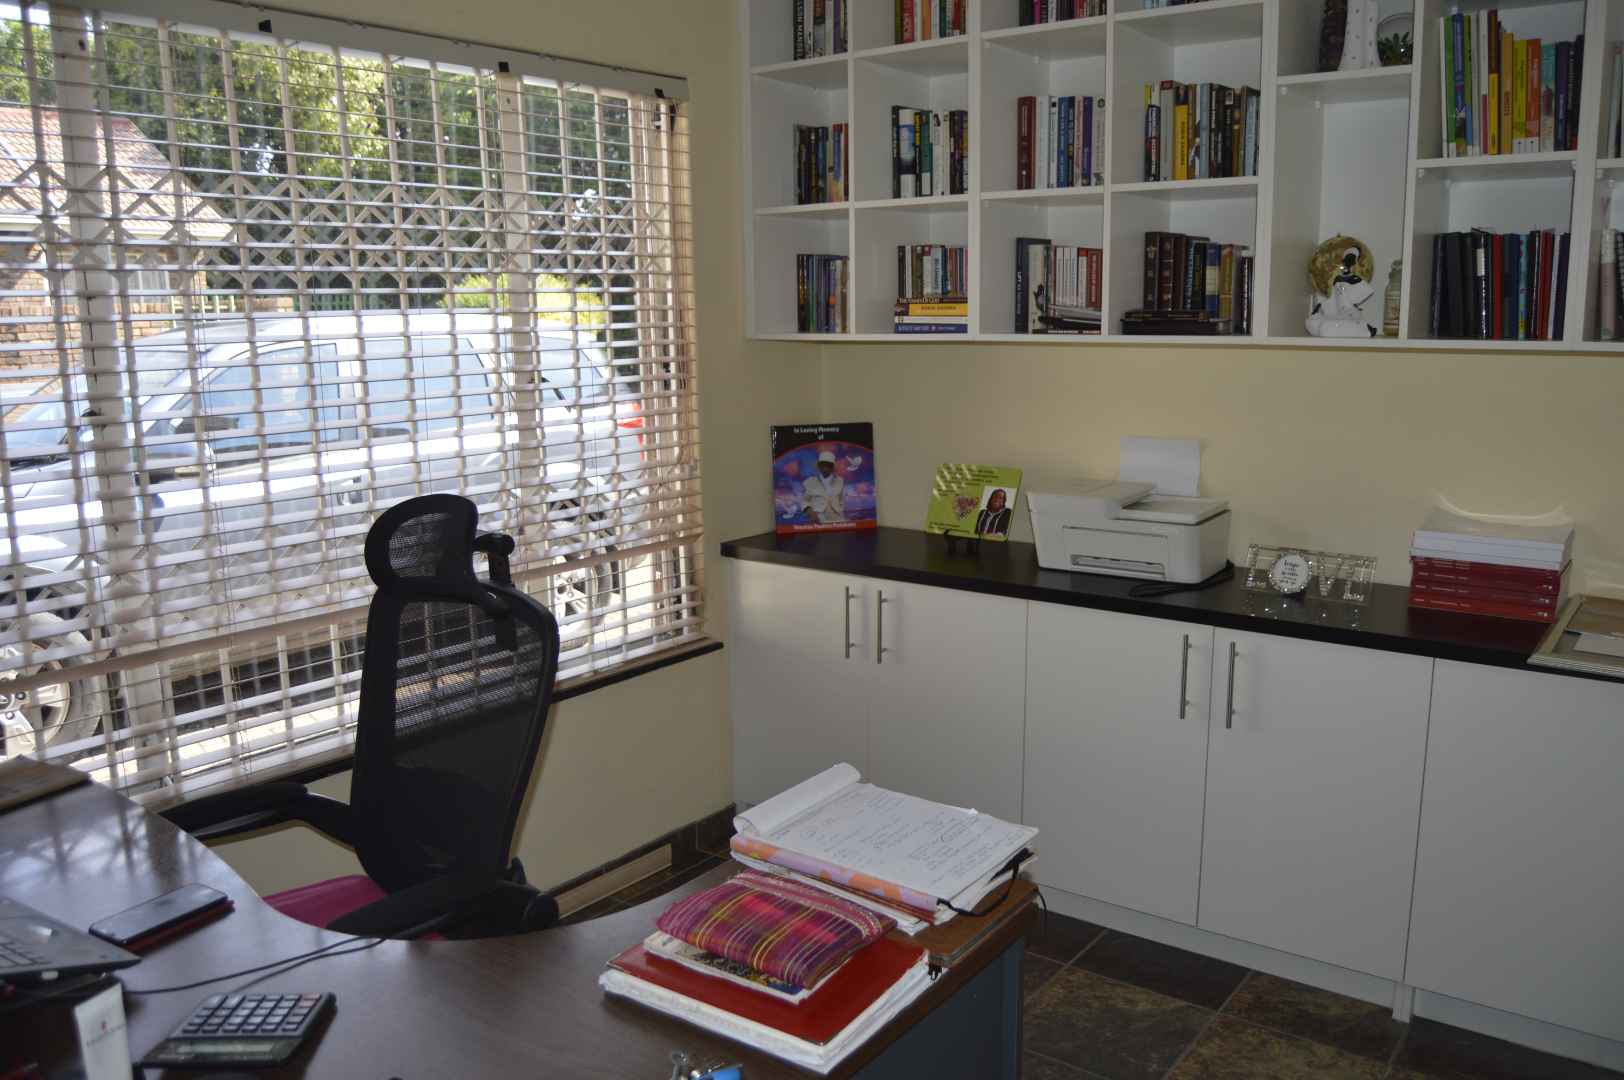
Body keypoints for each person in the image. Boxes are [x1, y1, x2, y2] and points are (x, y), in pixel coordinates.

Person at [800, 449, 846, 524]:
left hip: (837, 519)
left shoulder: (840, 481)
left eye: (828, 465)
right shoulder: (810, 482)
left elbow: (841, 500)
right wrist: (811, 512)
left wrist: (840, 511)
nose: (825, 468)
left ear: (832, 467)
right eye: (823, 465)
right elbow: (804, 501)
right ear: (819, 466)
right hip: (818, 519)